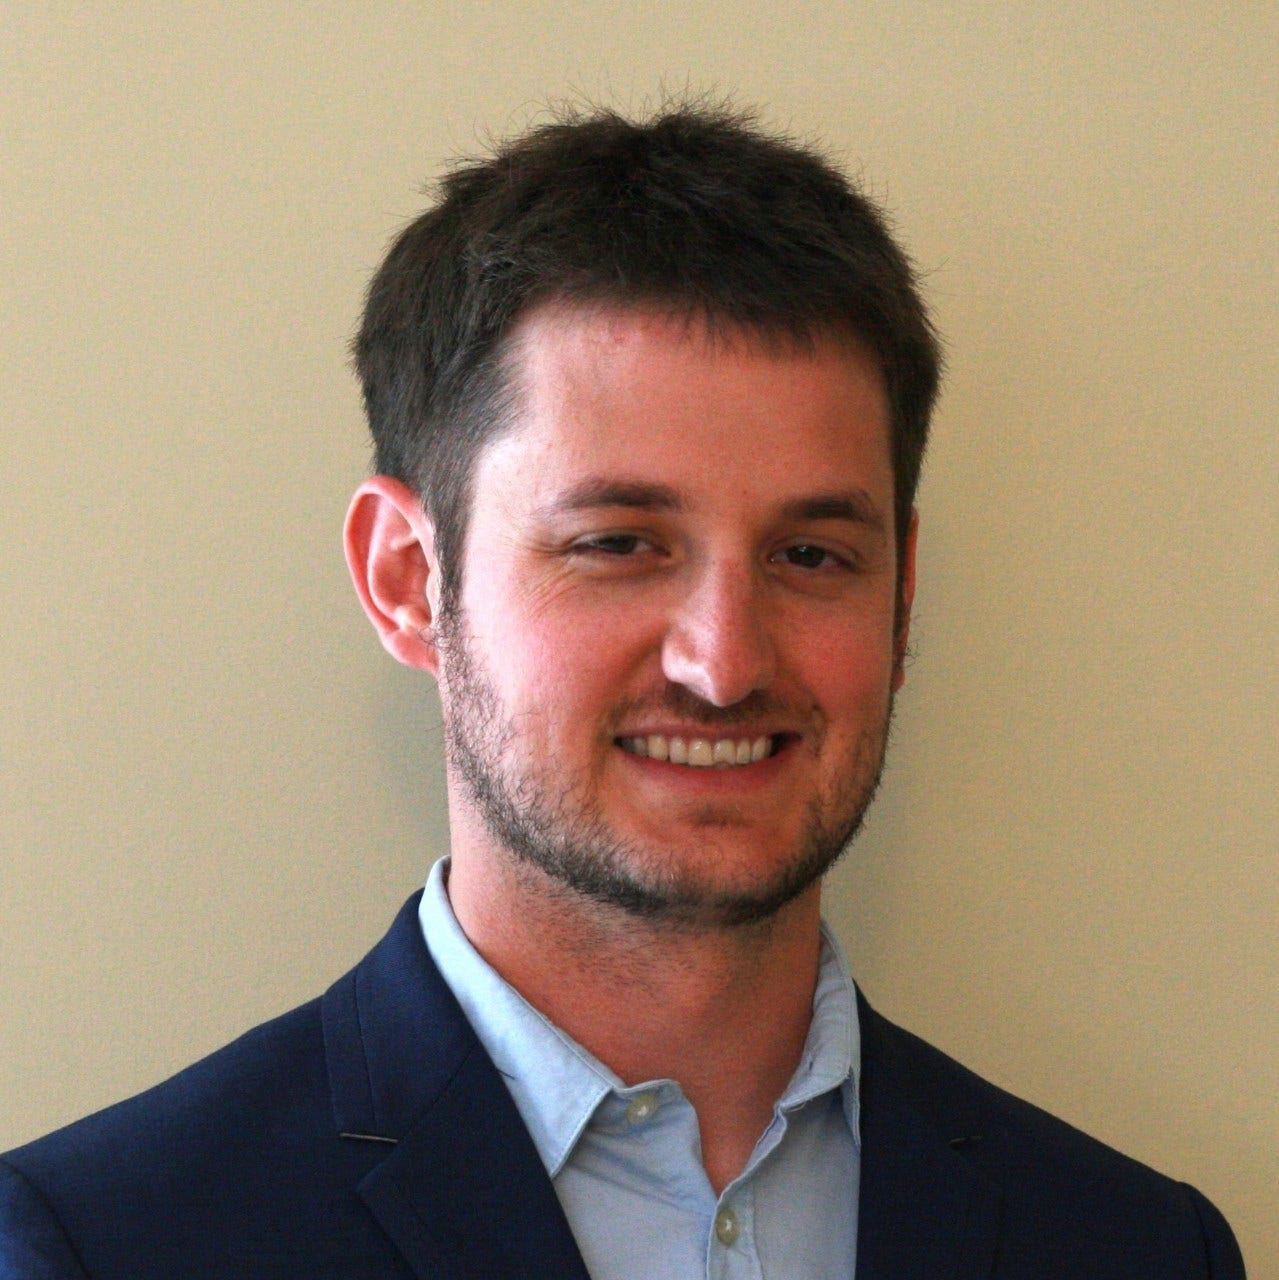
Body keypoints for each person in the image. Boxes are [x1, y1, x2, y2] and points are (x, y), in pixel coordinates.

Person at [0, 104, 1244, 1280]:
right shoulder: (108, 1242)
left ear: (902, 592)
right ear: (403, 581)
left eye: (810, 555)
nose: (725, 661)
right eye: (617, 542)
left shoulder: (1134, 1245)